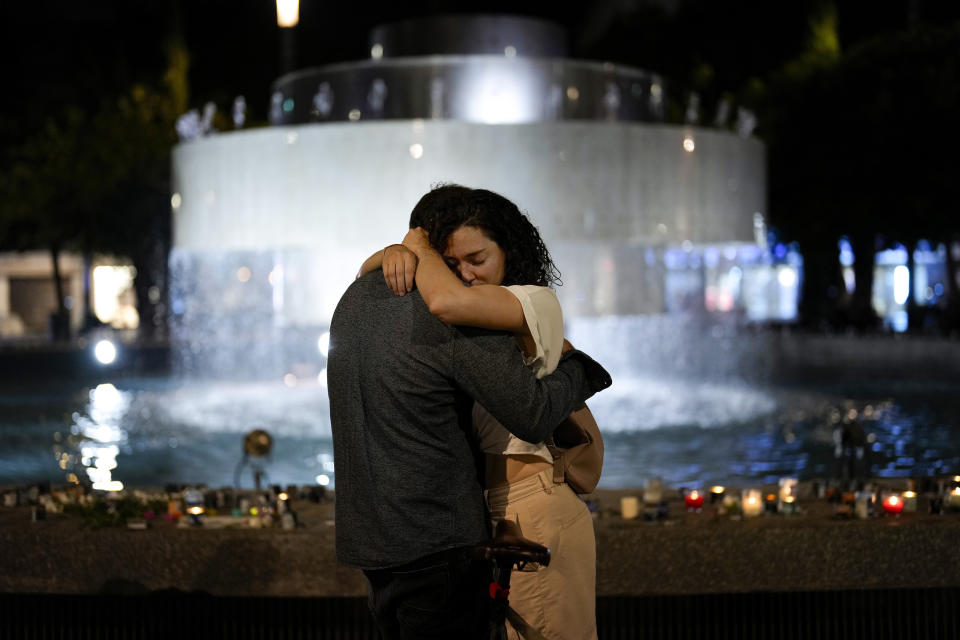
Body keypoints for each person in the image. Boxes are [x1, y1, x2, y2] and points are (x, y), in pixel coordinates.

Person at [328, 186, 612, 640]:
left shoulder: (523, 301)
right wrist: (390, 254)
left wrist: (404, 250)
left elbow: (444, 303)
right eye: (452, 262)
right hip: (467, 524)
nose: (464, 275)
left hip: (518, 505)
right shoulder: (463, 311)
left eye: (476, 260)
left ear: (509, 249)